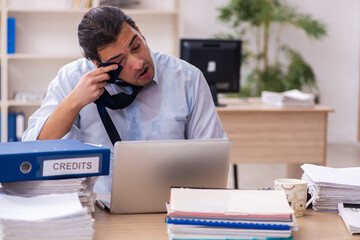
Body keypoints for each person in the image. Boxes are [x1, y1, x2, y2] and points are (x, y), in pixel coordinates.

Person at [22, 6, 227, 194]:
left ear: (138, 29)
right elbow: (33, 150)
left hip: (168, 208)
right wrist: (74, 102)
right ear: (96, 63)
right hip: (97, 209)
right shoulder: (71, 79)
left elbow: (213, 158)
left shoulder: (187, 79)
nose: (138, 63)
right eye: (119, 62)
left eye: (136, 45)